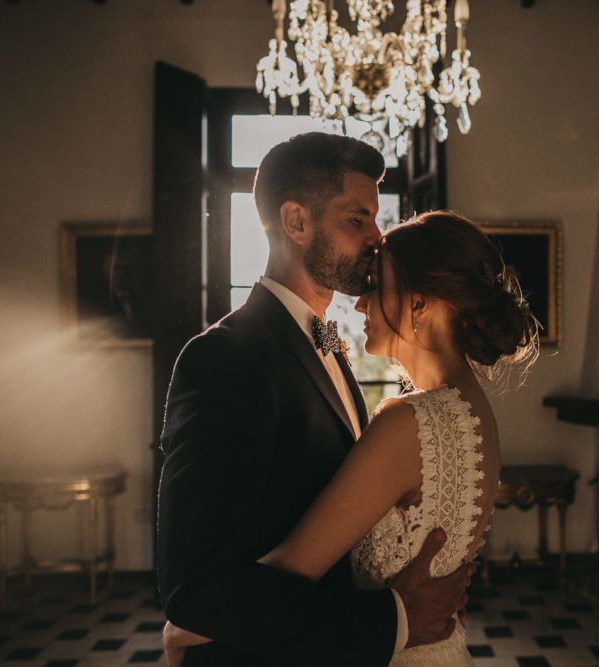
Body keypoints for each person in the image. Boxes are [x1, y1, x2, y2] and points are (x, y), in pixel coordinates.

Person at [157, 133, 474, 667]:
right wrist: (394, 620)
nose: (378, 237)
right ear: (297, 222)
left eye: (374, 218)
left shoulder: (330, 344)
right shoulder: (227, 359)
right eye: (358, 219)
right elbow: (197, 590)